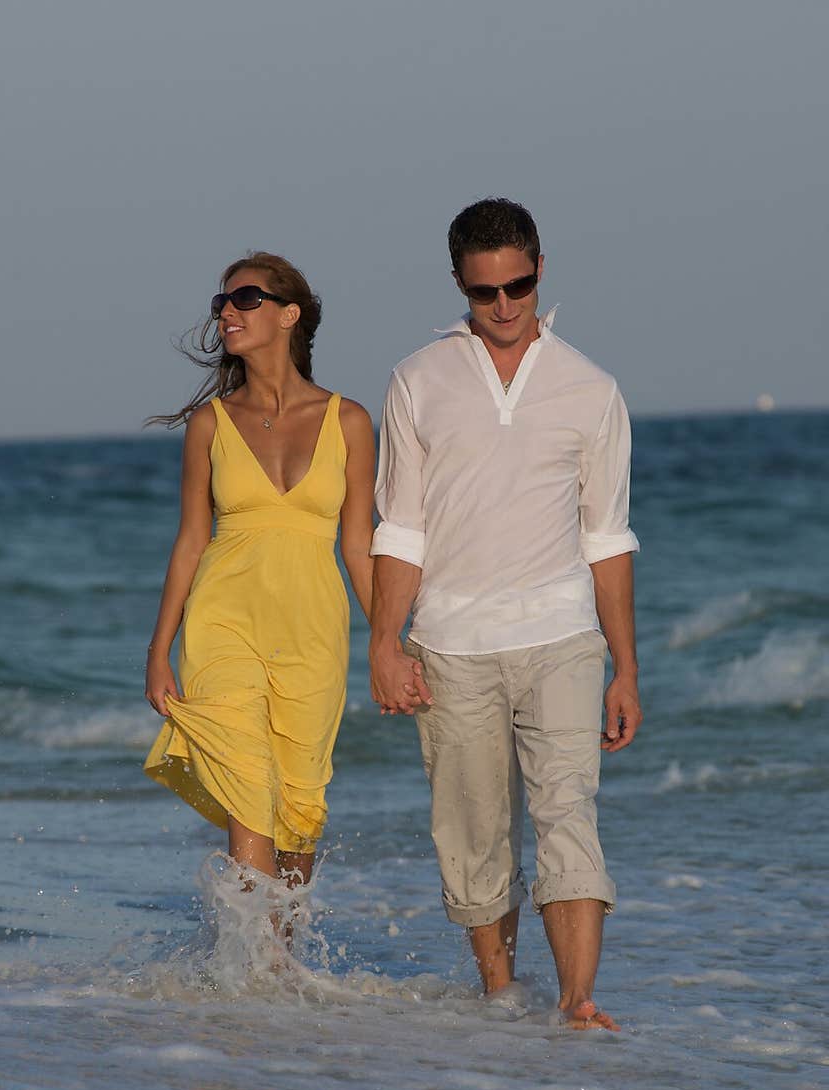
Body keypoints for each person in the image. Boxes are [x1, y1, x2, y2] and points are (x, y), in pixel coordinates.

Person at [369, 198, 641, 1029]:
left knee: (568, 812)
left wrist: (626, 665)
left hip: (563, 637)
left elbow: (608, 539)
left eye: (518, 285)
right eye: (486, 291)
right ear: (460, 282)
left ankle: (577, 1001)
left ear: (540, 269)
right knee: (473, 833)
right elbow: (401, 528)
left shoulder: (590, 389)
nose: (505, 307)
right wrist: (384, 641)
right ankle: (499, 995)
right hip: (451, 642)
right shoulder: (418, 380)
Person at [144, 252, 375, 920]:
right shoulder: (211, 425)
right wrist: (160, 649)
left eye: (244, 300)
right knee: (249, 795)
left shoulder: (350, 422)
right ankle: (251, 975)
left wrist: (394, 642)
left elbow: (359, 547)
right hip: (223, 624)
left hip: (312, 630)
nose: (227, 314)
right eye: (221, 303)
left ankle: (279, 974)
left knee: (299, 813)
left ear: (289, 315)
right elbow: (191, 539)